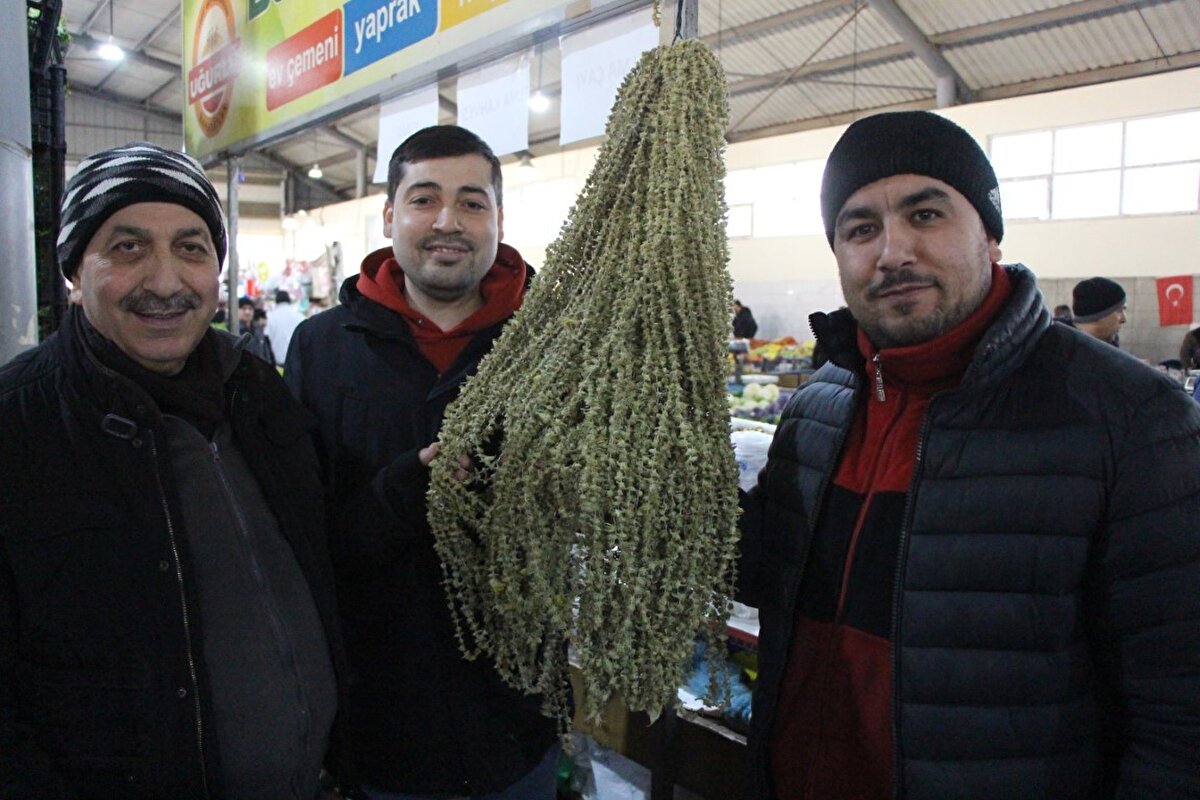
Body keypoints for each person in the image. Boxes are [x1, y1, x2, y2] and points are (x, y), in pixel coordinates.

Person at [737, 111, 1200, 800]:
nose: (892, 251)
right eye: (860, 228)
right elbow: (768, 579)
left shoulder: (1131, 422)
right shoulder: (821, 408)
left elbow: (1180, 718)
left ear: (989, 232)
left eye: (925, 213)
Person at [0, 142, 354, 799]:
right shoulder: (19, 427)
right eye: (128, 248)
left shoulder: (257, 392)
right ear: (74, 273)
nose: (165, 282)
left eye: (191, 248)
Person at [284, 125, 557, 799]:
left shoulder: (554, 344)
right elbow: (299, 538)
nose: (447, 222)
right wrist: (401, 495)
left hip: (515, 727)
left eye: (471, 202)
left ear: (498, 217)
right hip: (379, 730)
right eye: (424, 199)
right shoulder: (322, 348)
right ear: (389, 216)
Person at [1072, 276, 1126, 346]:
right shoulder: (1059, 351)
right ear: (1099, 314)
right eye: (1120, 310)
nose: (1124, 319)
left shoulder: (1110, 348)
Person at [267, 288, 306, 365]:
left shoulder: (269, 317)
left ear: (276, 301)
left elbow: (266, 339)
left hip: (277, 363)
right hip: (297, 362)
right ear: (289, 300)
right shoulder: (300, 317)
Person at [236, 295, 275, 365]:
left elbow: (266, 353)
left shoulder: (258, 329)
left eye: (250, 309)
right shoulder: (235, 330)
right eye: (243, 308)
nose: (247, 312)